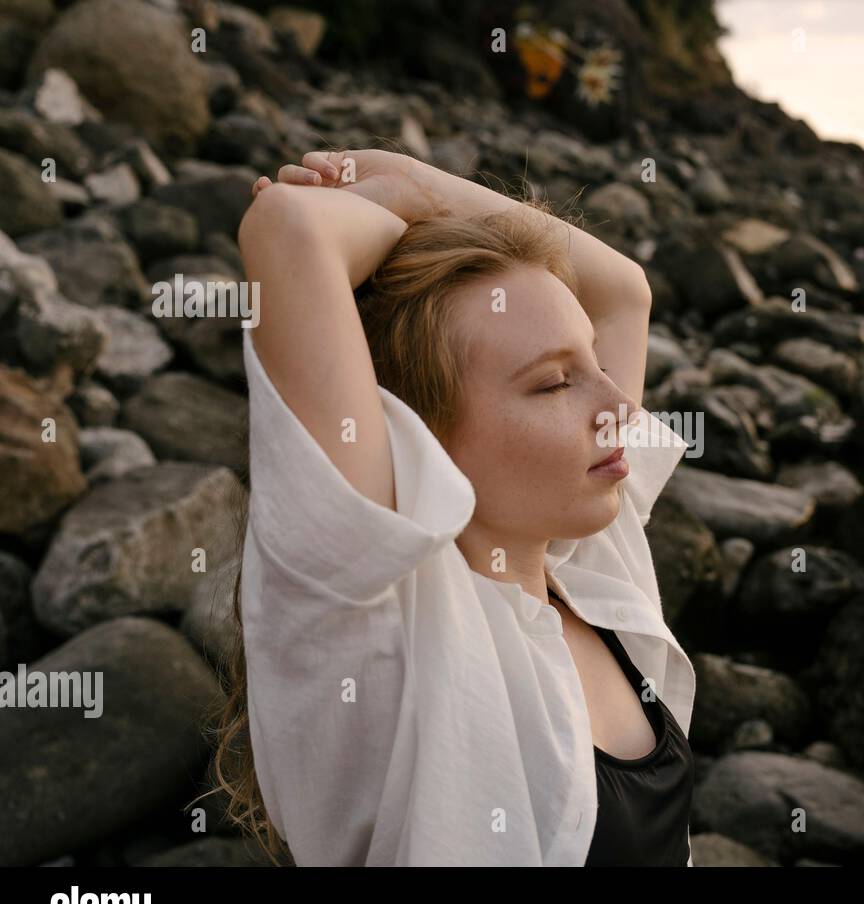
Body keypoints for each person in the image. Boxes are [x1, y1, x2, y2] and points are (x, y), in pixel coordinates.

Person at [205, 148, 697, 866]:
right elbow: (289, 232)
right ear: (420, 438)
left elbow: (622, 290)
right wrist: (401, 207)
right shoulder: (383, 621)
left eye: (593, 360)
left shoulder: (586, 559)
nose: (621, 408)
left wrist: (420, 188)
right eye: (556, 383)